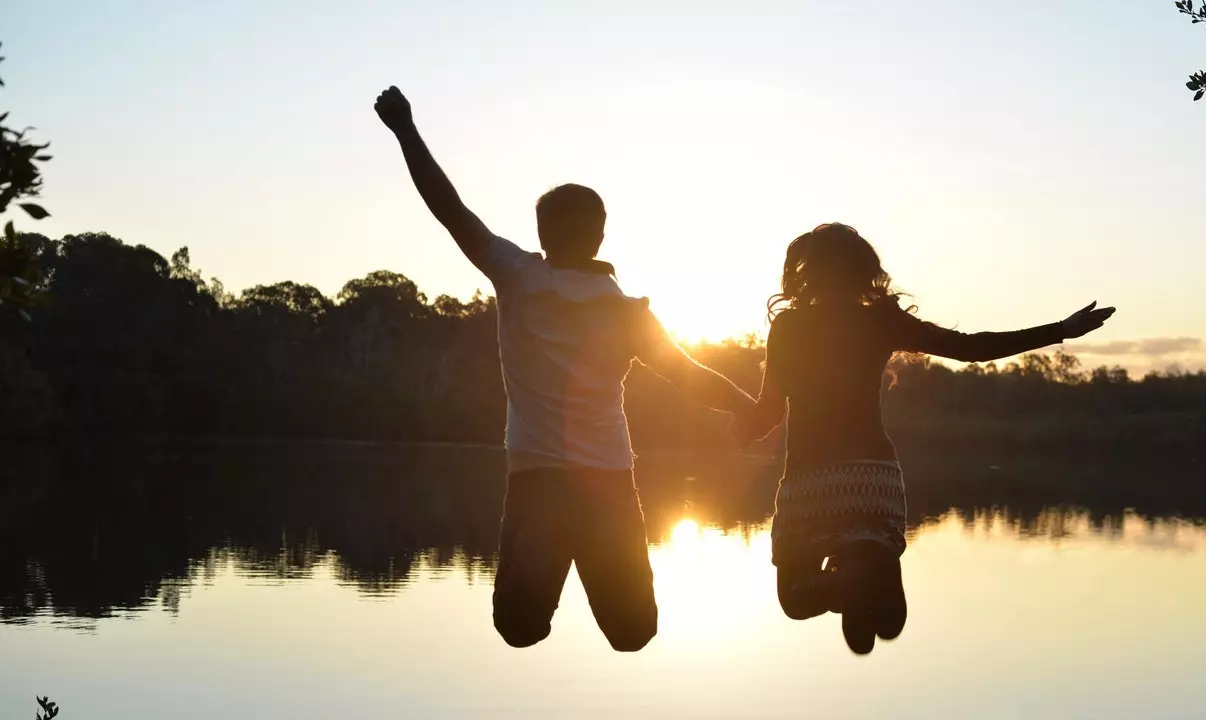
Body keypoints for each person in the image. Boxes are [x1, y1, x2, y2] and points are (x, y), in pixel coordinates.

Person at [373, 86, 756, 652]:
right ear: (601, 233)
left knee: (519, 628)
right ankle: (570, 532)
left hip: (538, 480)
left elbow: (450, 209)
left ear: (541, 234)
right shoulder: (628, 312)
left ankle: (552, 534)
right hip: (609, 482)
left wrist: (405, 130)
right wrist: (758, 408)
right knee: (634, 633)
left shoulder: (520, 277)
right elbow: (690, 375)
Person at [731, 222, 1115, 654]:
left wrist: (737, 431)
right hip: (873, 480)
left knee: (797, 602)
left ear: (806, 273)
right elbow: (972, 348)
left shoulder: (789, 327)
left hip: (810, 481)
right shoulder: (880, 320)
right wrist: (1060, 328)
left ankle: (848, 579)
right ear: (864, 271)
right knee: (887, 620)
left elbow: (768, 410)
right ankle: (865, 565)